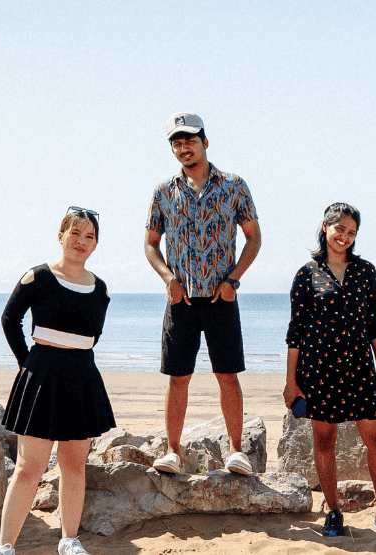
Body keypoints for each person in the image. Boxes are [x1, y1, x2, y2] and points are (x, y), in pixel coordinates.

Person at [0, 208, 114, 555]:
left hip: (82, 376)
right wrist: (26, 363)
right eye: (75, 234)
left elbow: (93, 335)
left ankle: (69, 541)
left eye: (89, 237)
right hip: (41, 375)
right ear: (61, 236)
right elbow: (10, 319)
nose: (81, 242)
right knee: (30, 466)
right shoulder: (38, 277)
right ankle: (5, 547)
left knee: (74, 465)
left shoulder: (100, 289)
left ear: (96, 244)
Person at [143, 113, 262, 475]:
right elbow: (150, 244)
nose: (183, 147)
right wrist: (169, 279)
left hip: (220, 297)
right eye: (176, 142)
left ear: (205, 142)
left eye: (189, 140)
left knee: (227, 375)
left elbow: (253, 238)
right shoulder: (164, 191)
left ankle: (237, 451)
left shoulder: (234, 185)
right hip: (180, 299)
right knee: (178, 377)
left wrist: (233, 281)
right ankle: (173, 452)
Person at [284, 203, 376, 537]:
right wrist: (290, 382)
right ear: (325, 226)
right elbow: (295, 333)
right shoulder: (305, 274)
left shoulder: (366, 272)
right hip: (318, 371)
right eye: (339, 228)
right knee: (325, 442)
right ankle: (333, 513)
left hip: (359, 369)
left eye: (351, 232)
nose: (344, 236)